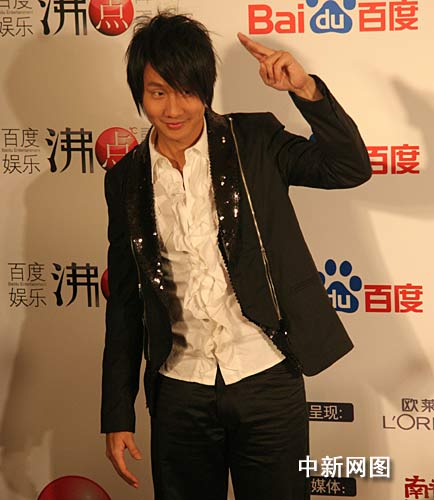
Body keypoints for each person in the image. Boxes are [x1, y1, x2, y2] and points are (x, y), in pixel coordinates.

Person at [101, 12, 371, 500]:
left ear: (206, 89)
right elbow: (124, 302)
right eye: (158, 92)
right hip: (180, 389)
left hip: (266, 376)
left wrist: (305, 89)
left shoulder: (253, 141)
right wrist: (117, 414)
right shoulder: (125, 179)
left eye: (187, 91)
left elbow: (349, 167)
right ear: (140, 93)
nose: (173, 108)